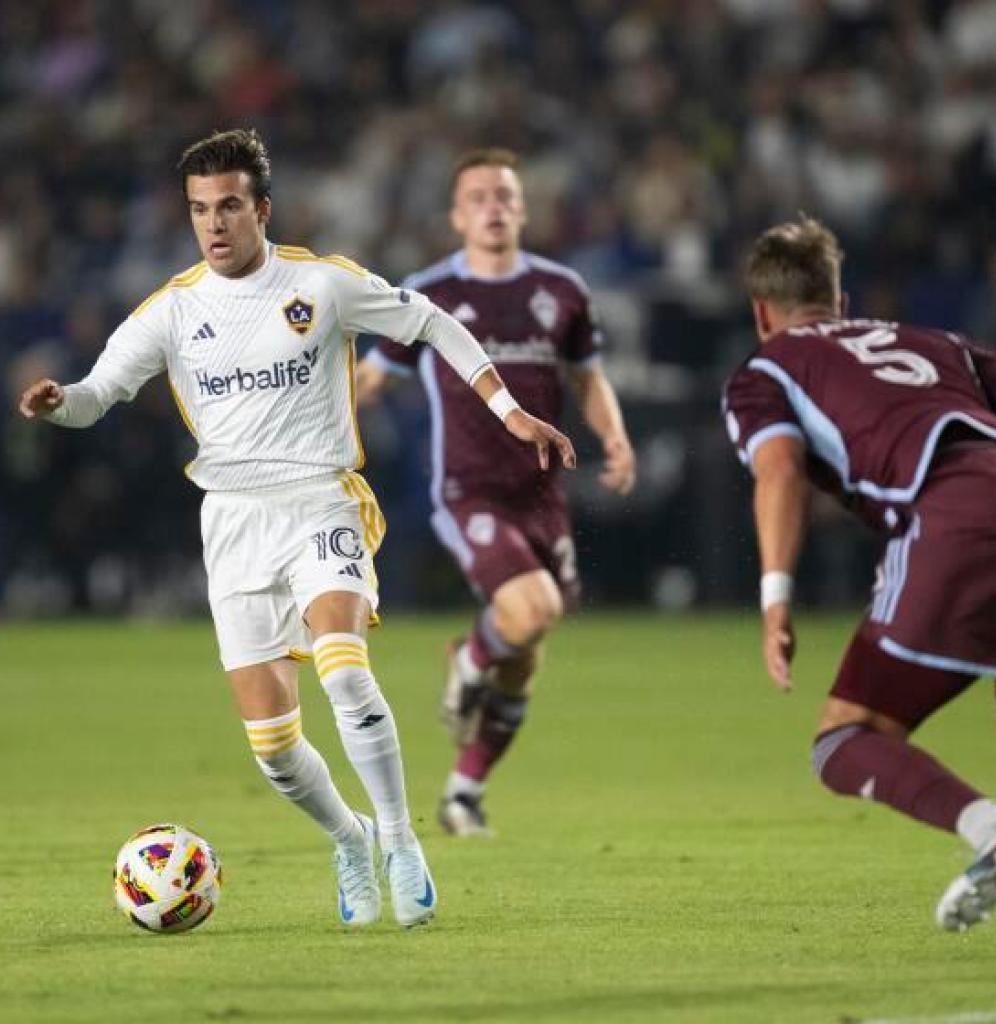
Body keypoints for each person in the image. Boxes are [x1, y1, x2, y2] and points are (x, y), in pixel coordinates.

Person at [18, 129, 575, 928]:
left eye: (229, 206)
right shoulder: (172, 311)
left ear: (262, 209)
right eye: (199, 210)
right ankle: (350, 838)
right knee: (274, 750)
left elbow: (433, 324)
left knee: (343, 670)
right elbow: (97, 394)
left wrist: (510, 411)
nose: (214, 224)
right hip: (233, 521)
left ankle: (399, 839)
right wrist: (58, 403)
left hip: (321, 499)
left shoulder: (323, 284)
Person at [722, 213, 996, 931]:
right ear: (841, 300)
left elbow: (779, 471)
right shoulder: (937, 343)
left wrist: (774, 598)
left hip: (958, 517)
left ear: (761, 313)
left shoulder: (766, 370)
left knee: (844, 740)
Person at [357, 148, 634, 837]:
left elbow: (588, 378)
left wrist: (616, 436)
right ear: (457, 216)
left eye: (505, 196)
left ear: (523, 209)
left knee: (526, 651)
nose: (493, 207)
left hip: (541, 493)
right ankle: (468, 656)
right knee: (532, 611)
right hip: (469, 489)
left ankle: (463, 794)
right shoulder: (429, 293)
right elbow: (371, 378)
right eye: (478, 197)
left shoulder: (562, 290)